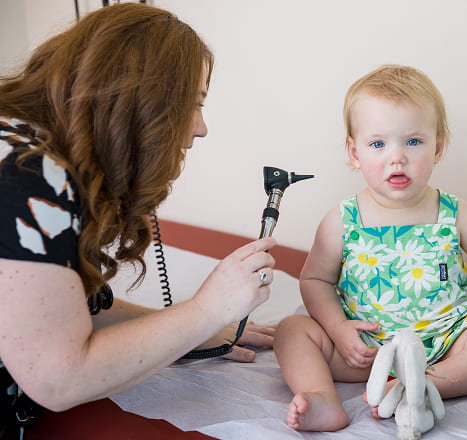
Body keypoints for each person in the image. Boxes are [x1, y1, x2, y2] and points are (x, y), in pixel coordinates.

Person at [0, 3, 277, 437]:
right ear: (141, 100)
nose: (200, 128)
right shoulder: (28, 176)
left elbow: (67, 308)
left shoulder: (21, 148)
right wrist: (207, 310)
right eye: (194, 104)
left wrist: (198, 330)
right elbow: (58, 377)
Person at [273, 64, 467, 432]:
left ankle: (421, 386)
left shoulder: (455, 213)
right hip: (367, 349)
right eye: (378, 144)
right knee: (291, 330)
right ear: (354, 152)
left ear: (439, 146)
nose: (397, 157)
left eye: (413, 141)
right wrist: (339, 330)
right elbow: (315, 280)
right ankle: (322, 398)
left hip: (448, 343)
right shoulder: (342, 220)